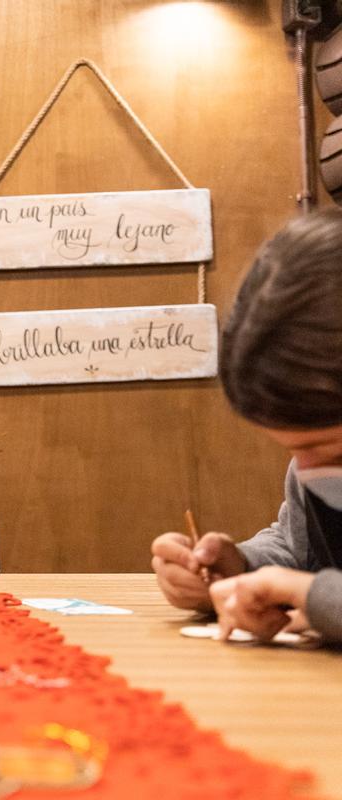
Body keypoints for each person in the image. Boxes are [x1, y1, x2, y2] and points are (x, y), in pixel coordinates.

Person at [150, 210, 342, 643]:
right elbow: (301, 552)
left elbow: (317, 587)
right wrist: (238, 570)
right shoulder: (311, 456)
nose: (307, 471)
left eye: (333, 452)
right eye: (291, 449)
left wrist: (317, 599)